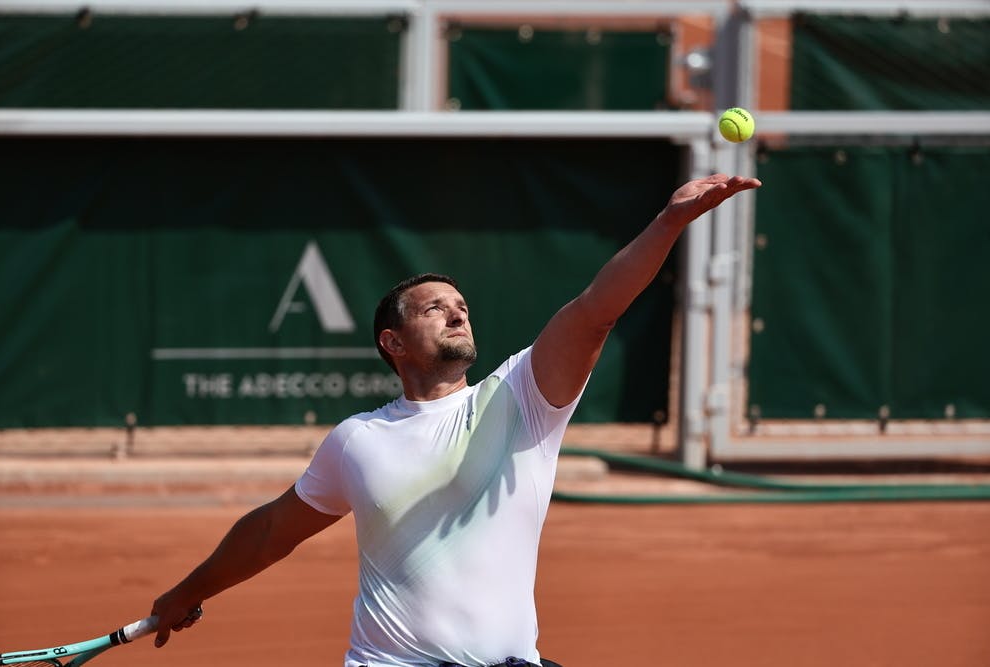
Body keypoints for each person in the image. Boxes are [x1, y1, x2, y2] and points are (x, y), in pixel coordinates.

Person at [150, 173, 761, 667]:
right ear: (392, 341)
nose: (456, 314)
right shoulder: (356, 440)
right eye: (434, 308)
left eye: (462, 307)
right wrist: (188, 592)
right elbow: (270, 532)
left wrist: (670, 221)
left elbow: (595, 311)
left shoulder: (523, 395)